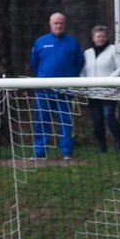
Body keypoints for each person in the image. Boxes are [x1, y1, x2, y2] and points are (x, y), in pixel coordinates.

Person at [29, 11, 84, 160]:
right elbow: (34, 63)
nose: (58, 26)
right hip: (44, 89)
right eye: (56, 23)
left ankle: (67, 152)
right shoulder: (40, 42)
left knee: (66, 121)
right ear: (50, 24)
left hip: (65, 90)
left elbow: (79, 63)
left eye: (61, 23)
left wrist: (70, 77)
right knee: (42, 120)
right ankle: (40, 152)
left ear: (64, 25)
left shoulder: (73, 42)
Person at [81, 25, 120, 152]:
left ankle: (119, 143)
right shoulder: (87, 53)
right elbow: (83, 71)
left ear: (107, 37)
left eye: (103, 36)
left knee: (109, 116)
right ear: (93, 38)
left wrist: (109, 79)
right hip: (92, 93)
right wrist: (83, 84)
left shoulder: (113, 50)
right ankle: (102, 146)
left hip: (109, 92)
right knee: (97, 121)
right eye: (98, 36)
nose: (101, 38)